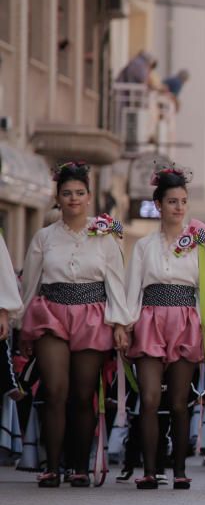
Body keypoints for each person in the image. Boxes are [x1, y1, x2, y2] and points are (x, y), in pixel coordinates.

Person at [16, 161, 128, 487]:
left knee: (83, 394)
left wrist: (120, 323)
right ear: (58, 197)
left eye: (80, 193)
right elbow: (31, 282)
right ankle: (51, 465)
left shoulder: (106, 235)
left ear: (90, 197)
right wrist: (23, 323)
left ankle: (78, 465)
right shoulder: (43, 237)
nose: (73, 198)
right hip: (50, 312)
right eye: (67, 193)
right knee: (54, 391)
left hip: (92, 315)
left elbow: (116, 282)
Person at [123, 165, 205, 490]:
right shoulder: (143, 246)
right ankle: (150, 469)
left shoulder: (198, 243)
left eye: (183, 201)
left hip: (185, 321)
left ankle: (180, 469)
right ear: (158, 205)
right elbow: (132, 289)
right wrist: (125, 325)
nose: (179, 207)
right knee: (151, 398)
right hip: (150, 321)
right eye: (172, 201)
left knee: (181, 401)